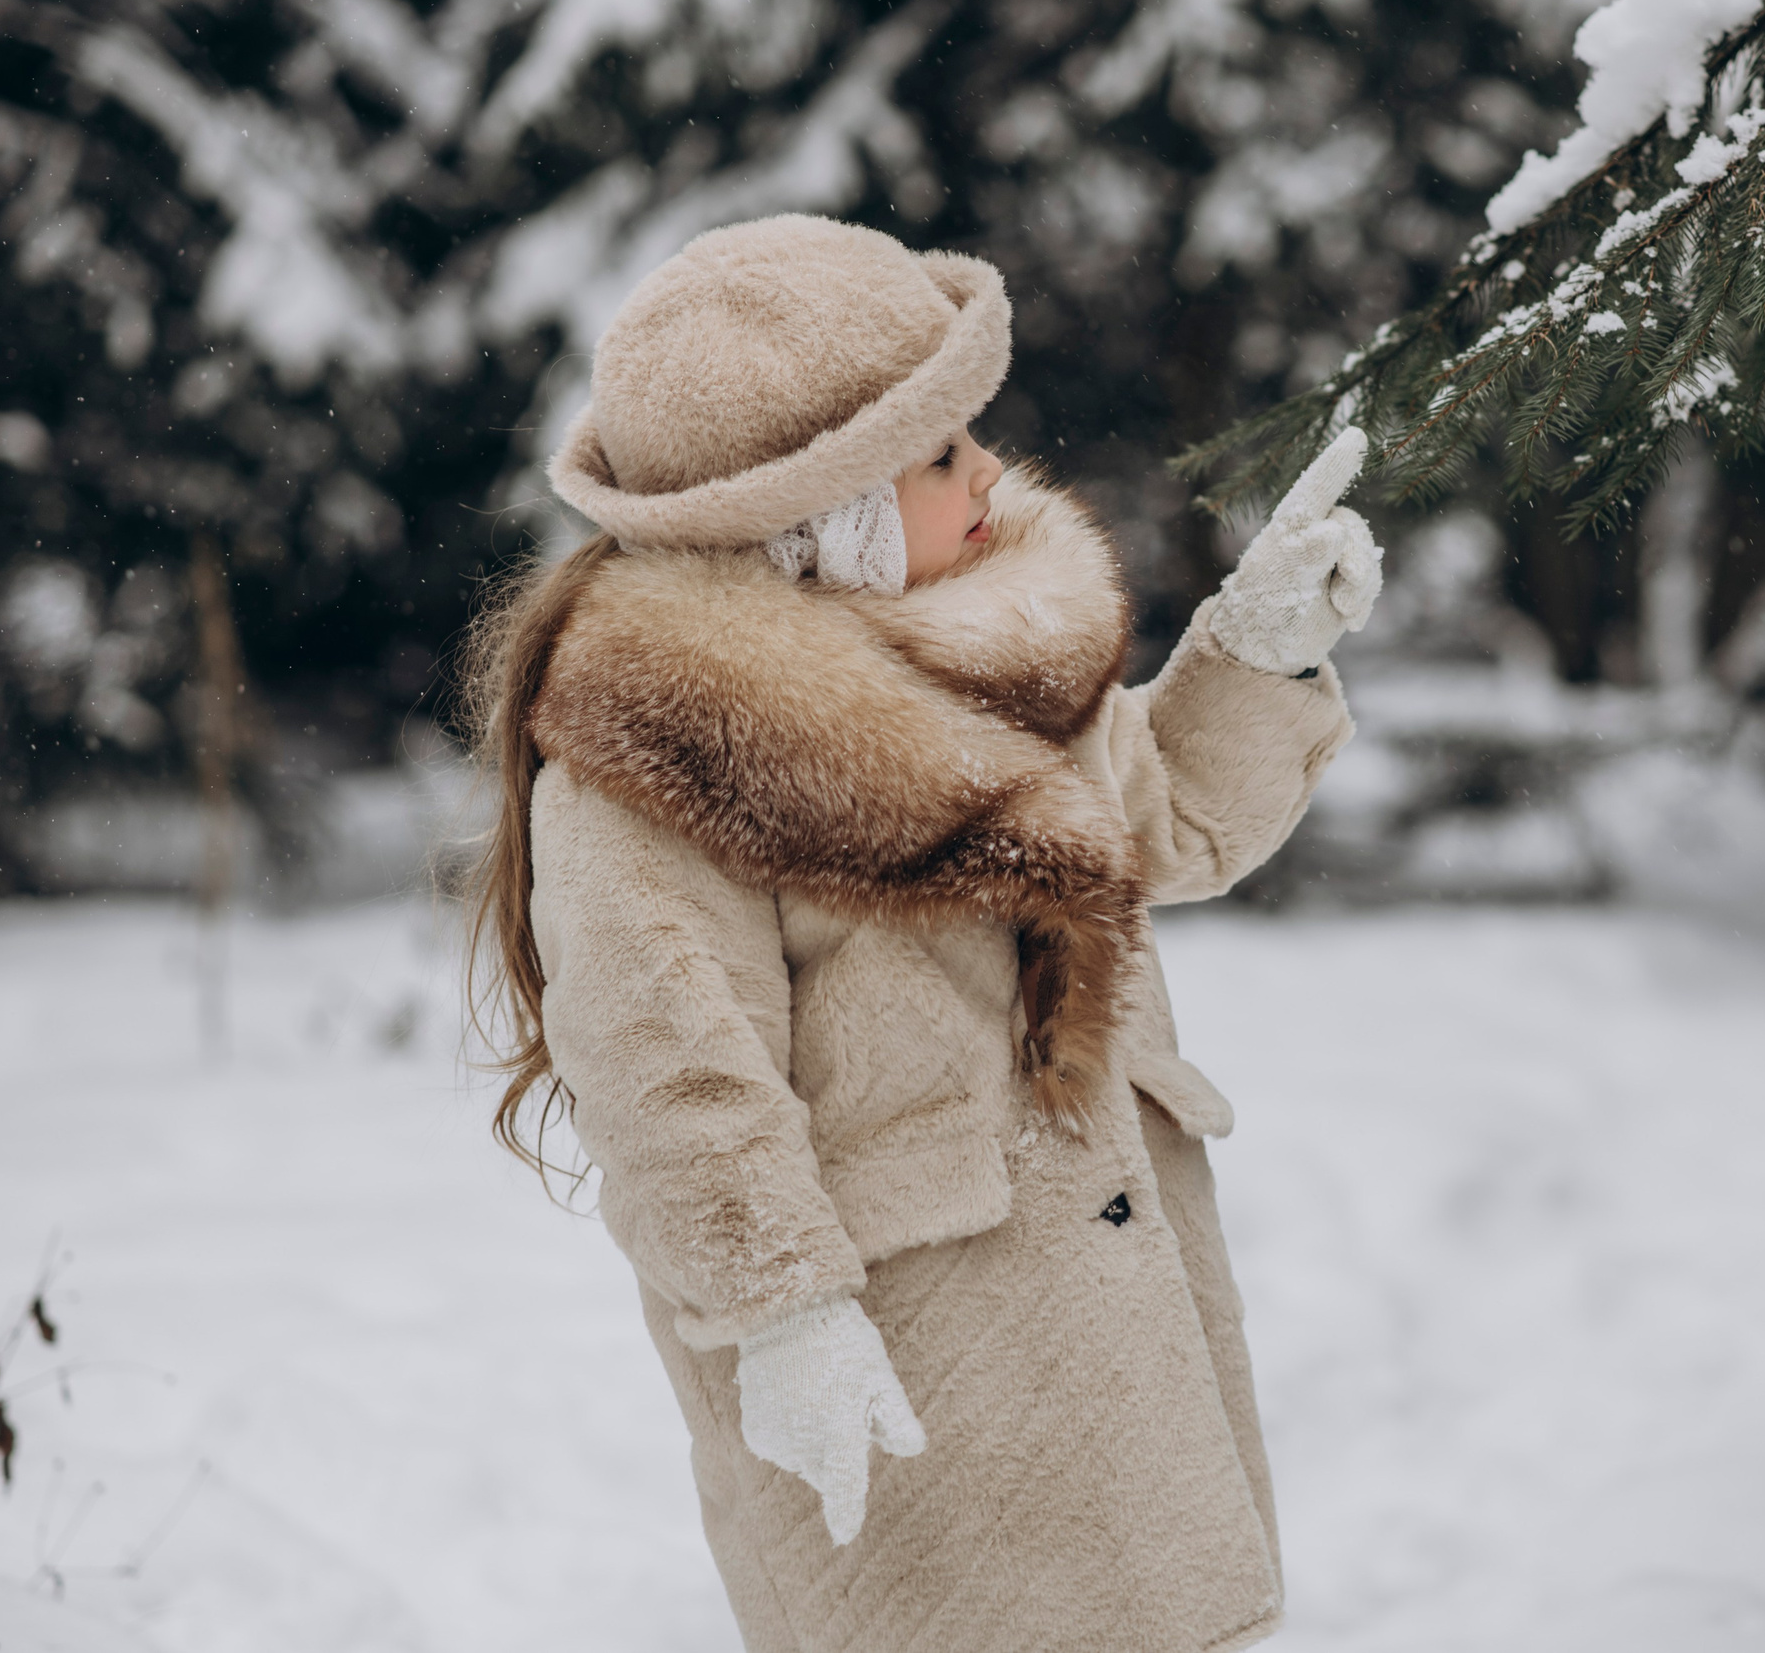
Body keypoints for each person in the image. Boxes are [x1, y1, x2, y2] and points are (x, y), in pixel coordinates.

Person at [463, 213, 1382, 1653]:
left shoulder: (982, 653)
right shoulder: (659, 762)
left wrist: (1259, 653)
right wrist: (783, 1315)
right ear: (816, 513)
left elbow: (1164, 821)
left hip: (1107, 1324)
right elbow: (667, 1063)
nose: (991, 473)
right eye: (943, 453)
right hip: (906, 1356)